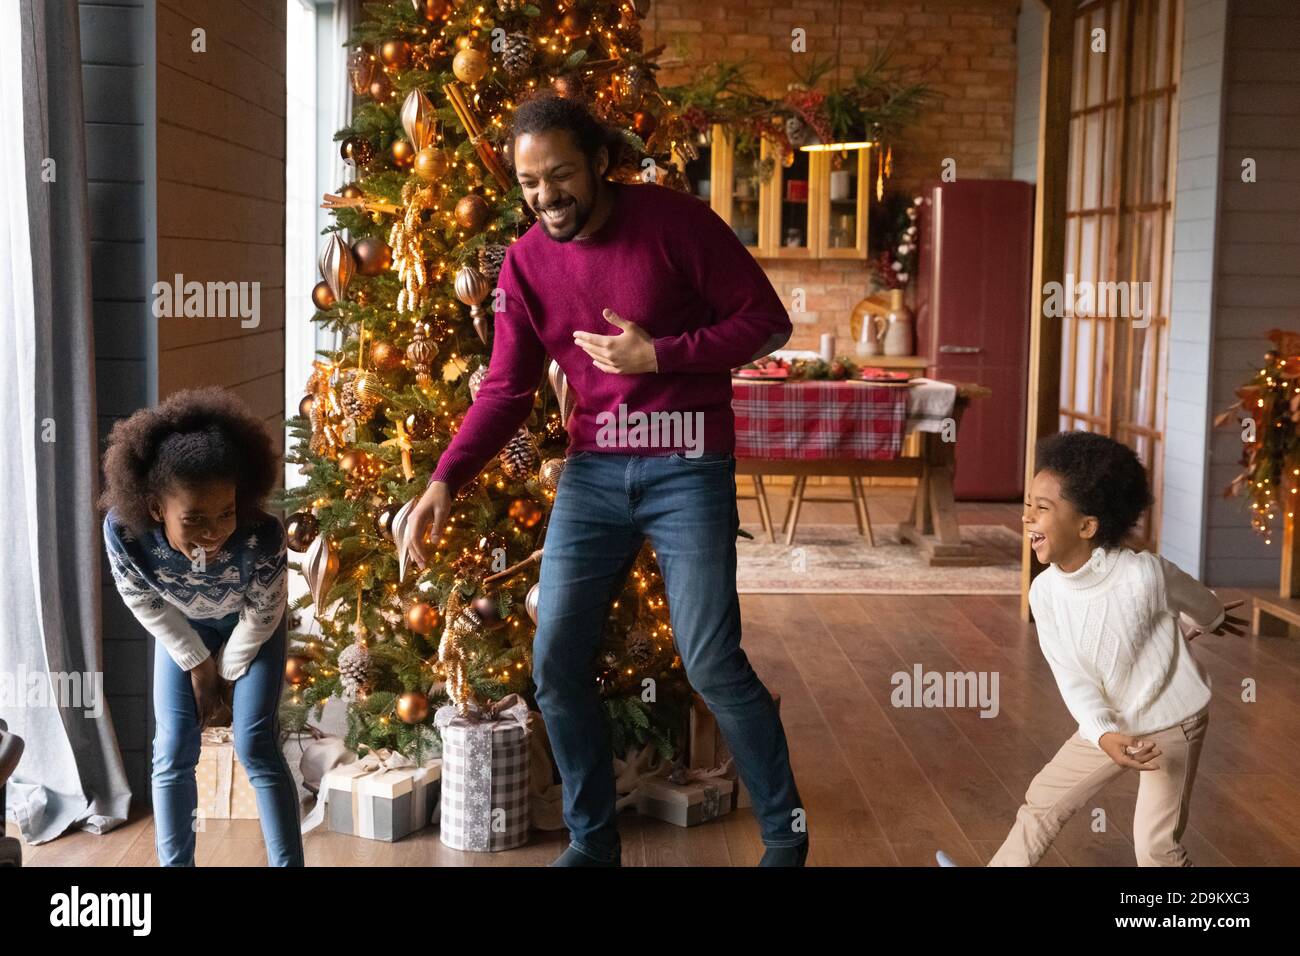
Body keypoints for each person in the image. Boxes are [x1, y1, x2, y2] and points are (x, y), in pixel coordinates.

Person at [405, 93, 808, 866]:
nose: (546, 196)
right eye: (529, 184)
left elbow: (768, 322)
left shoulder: (676, 224)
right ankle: (594, 845)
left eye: (560, 174)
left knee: (712, 662)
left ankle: (786, 840)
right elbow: (505, 390)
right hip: (594, 472)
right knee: (554, 662)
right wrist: (445, 478)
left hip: (687, 460)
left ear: (596, 162)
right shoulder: (526, 264)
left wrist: (662, 355)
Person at [937, 431, 1245, 867]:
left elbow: (1196, 599)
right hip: (1109, 722)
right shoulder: (1044, 594)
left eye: (1042, 509)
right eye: (1028, 505)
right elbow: (1074, 677)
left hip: (1172, 723)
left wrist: (1211, 619)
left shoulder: (1145, 575)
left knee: (1155, 847)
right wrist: (1102, 733)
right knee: (1043, 800)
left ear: (1087, 526)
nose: (1027, 518)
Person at [100, 387, 302, 867]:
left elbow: (265, 608)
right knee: (172, 750)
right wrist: (198, 665)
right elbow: (143, 600)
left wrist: (228, 670)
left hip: (253, 628)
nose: (214, 531)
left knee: (255, 744)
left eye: (226, 512)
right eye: (193, 519)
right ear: (155, 509)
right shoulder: (125, 535)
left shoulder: (263, 533)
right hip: (179, 627)